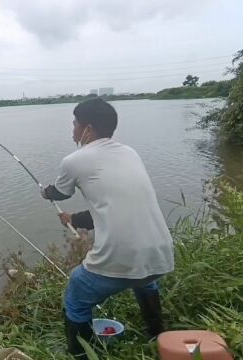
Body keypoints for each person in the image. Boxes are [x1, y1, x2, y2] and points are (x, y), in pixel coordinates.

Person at [41, 98, 174, 359]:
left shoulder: (74, 160)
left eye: (74, 123)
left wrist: (45, 192)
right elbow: (113, 207)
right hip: (158, 252)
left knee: (77, 295)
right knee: (145, 281)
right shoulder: (129, 153)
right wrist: (74, 219)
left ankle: (82, 355)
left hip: (121, 255)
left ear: (87, 129)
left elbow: (59, 191)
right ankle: (157, 335)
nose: (72, 129)